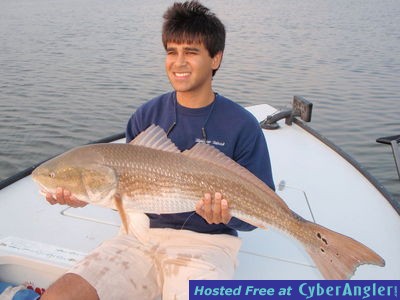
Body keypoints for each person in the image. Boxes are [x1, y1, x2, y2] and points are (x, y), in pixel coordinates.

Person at [41, 1, 275, 299]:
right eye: (171, 52)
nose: (178, 62)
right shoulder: (145, 116)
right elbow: (125, 189)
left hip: (208, 245)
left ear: (216, 58)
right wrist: (82, 196)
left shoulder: (242, 126)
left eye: (191, 52)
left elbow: (258, 216)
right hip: (138, 237)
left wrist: (226, 216)